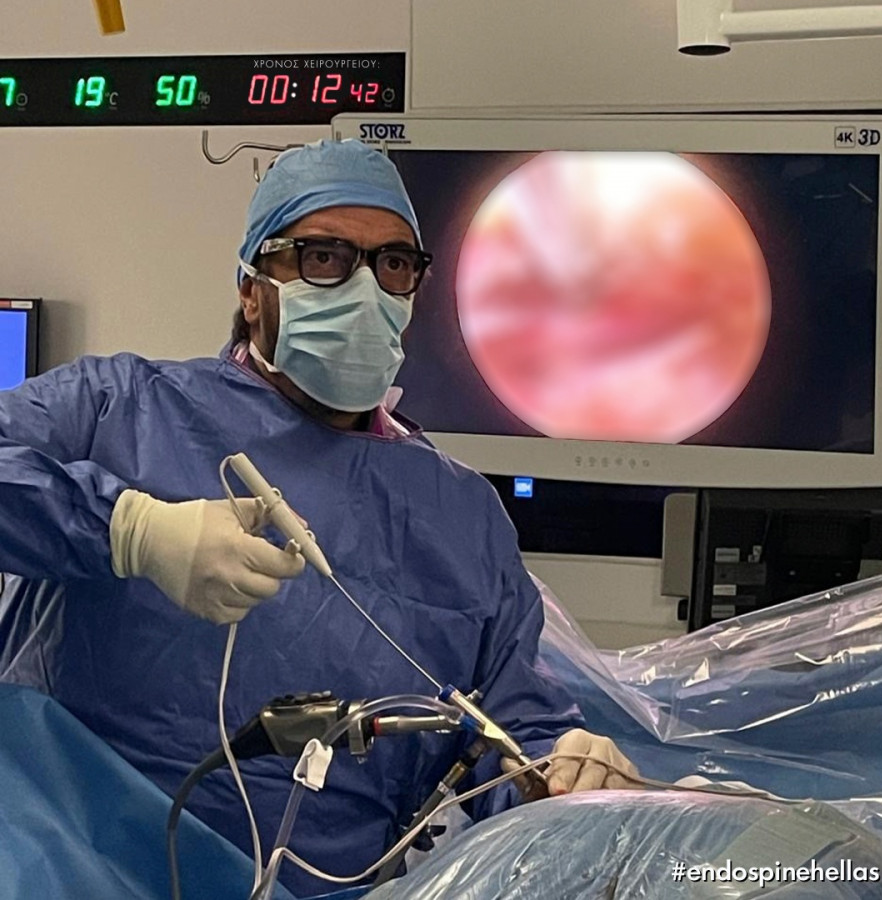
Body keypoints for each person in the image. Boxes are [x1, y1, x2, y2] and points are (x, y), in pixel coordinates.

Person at [0, 139, 638, 898]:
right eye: (324, 257)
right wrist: (127, 530)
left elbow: (509, 741)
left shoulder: (458, 516)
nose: (365, 288)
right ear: (251, 288)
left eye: (393, 263)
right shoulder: (120, 410)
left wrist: (563, 769)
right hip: (78, 870)